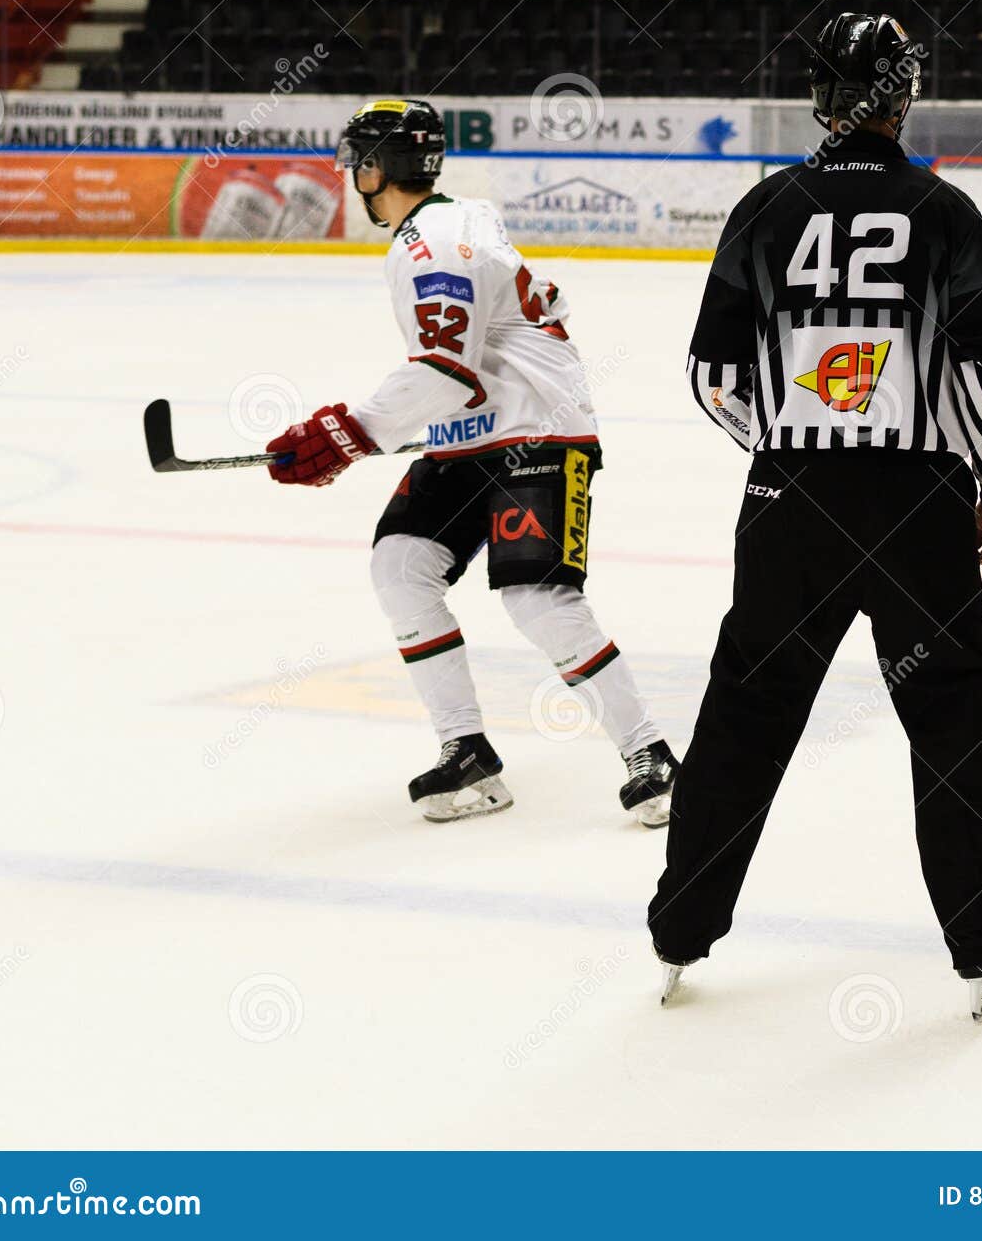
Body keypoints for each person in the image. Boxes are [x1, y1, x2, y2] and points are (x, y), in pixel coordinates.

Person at [648, 13, 982, 1024]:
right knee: (951, 716)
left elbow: (710, 375)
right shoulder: (944, 210)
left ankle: (679, 929)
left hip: (789, 504)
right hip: (917, 505)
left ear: (817, 94)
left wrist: (787, 444)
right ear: (905, 94)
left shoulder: (765, 207)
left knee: (746, 710)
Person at [264, 100, 678, 828]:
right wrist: (362, 433)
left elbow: (443, 368)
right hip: (472, 432)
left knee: (536, 598)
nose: (352, 174)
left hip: (538, 432)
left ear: (377, 167)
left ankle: (653, 756)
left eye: (358, 159)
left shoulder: (432, 243)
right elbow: (455, 375)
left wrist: (350, 430)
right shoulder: (445, 229)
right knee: (400, 564)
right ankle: (467, 750)